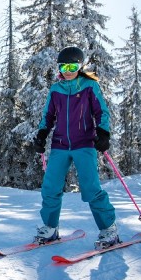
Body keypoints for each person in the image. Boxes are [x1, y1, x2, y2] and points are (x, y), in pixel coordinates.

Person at [32, 46, 119, 249]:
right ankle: (50, 228)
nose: (68, 70)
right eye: (63, 67)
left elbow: (101, 112)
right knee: (50, 188)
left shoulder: (89, 86)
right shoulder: (55, 90)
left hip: (84, 144)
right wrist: (42, 134)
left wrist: (103, 133)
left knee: (91, 189)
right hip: (60, 145)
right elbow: (48, 116)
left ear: (80, 66)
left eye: (73, 66)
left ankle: (109, 229)